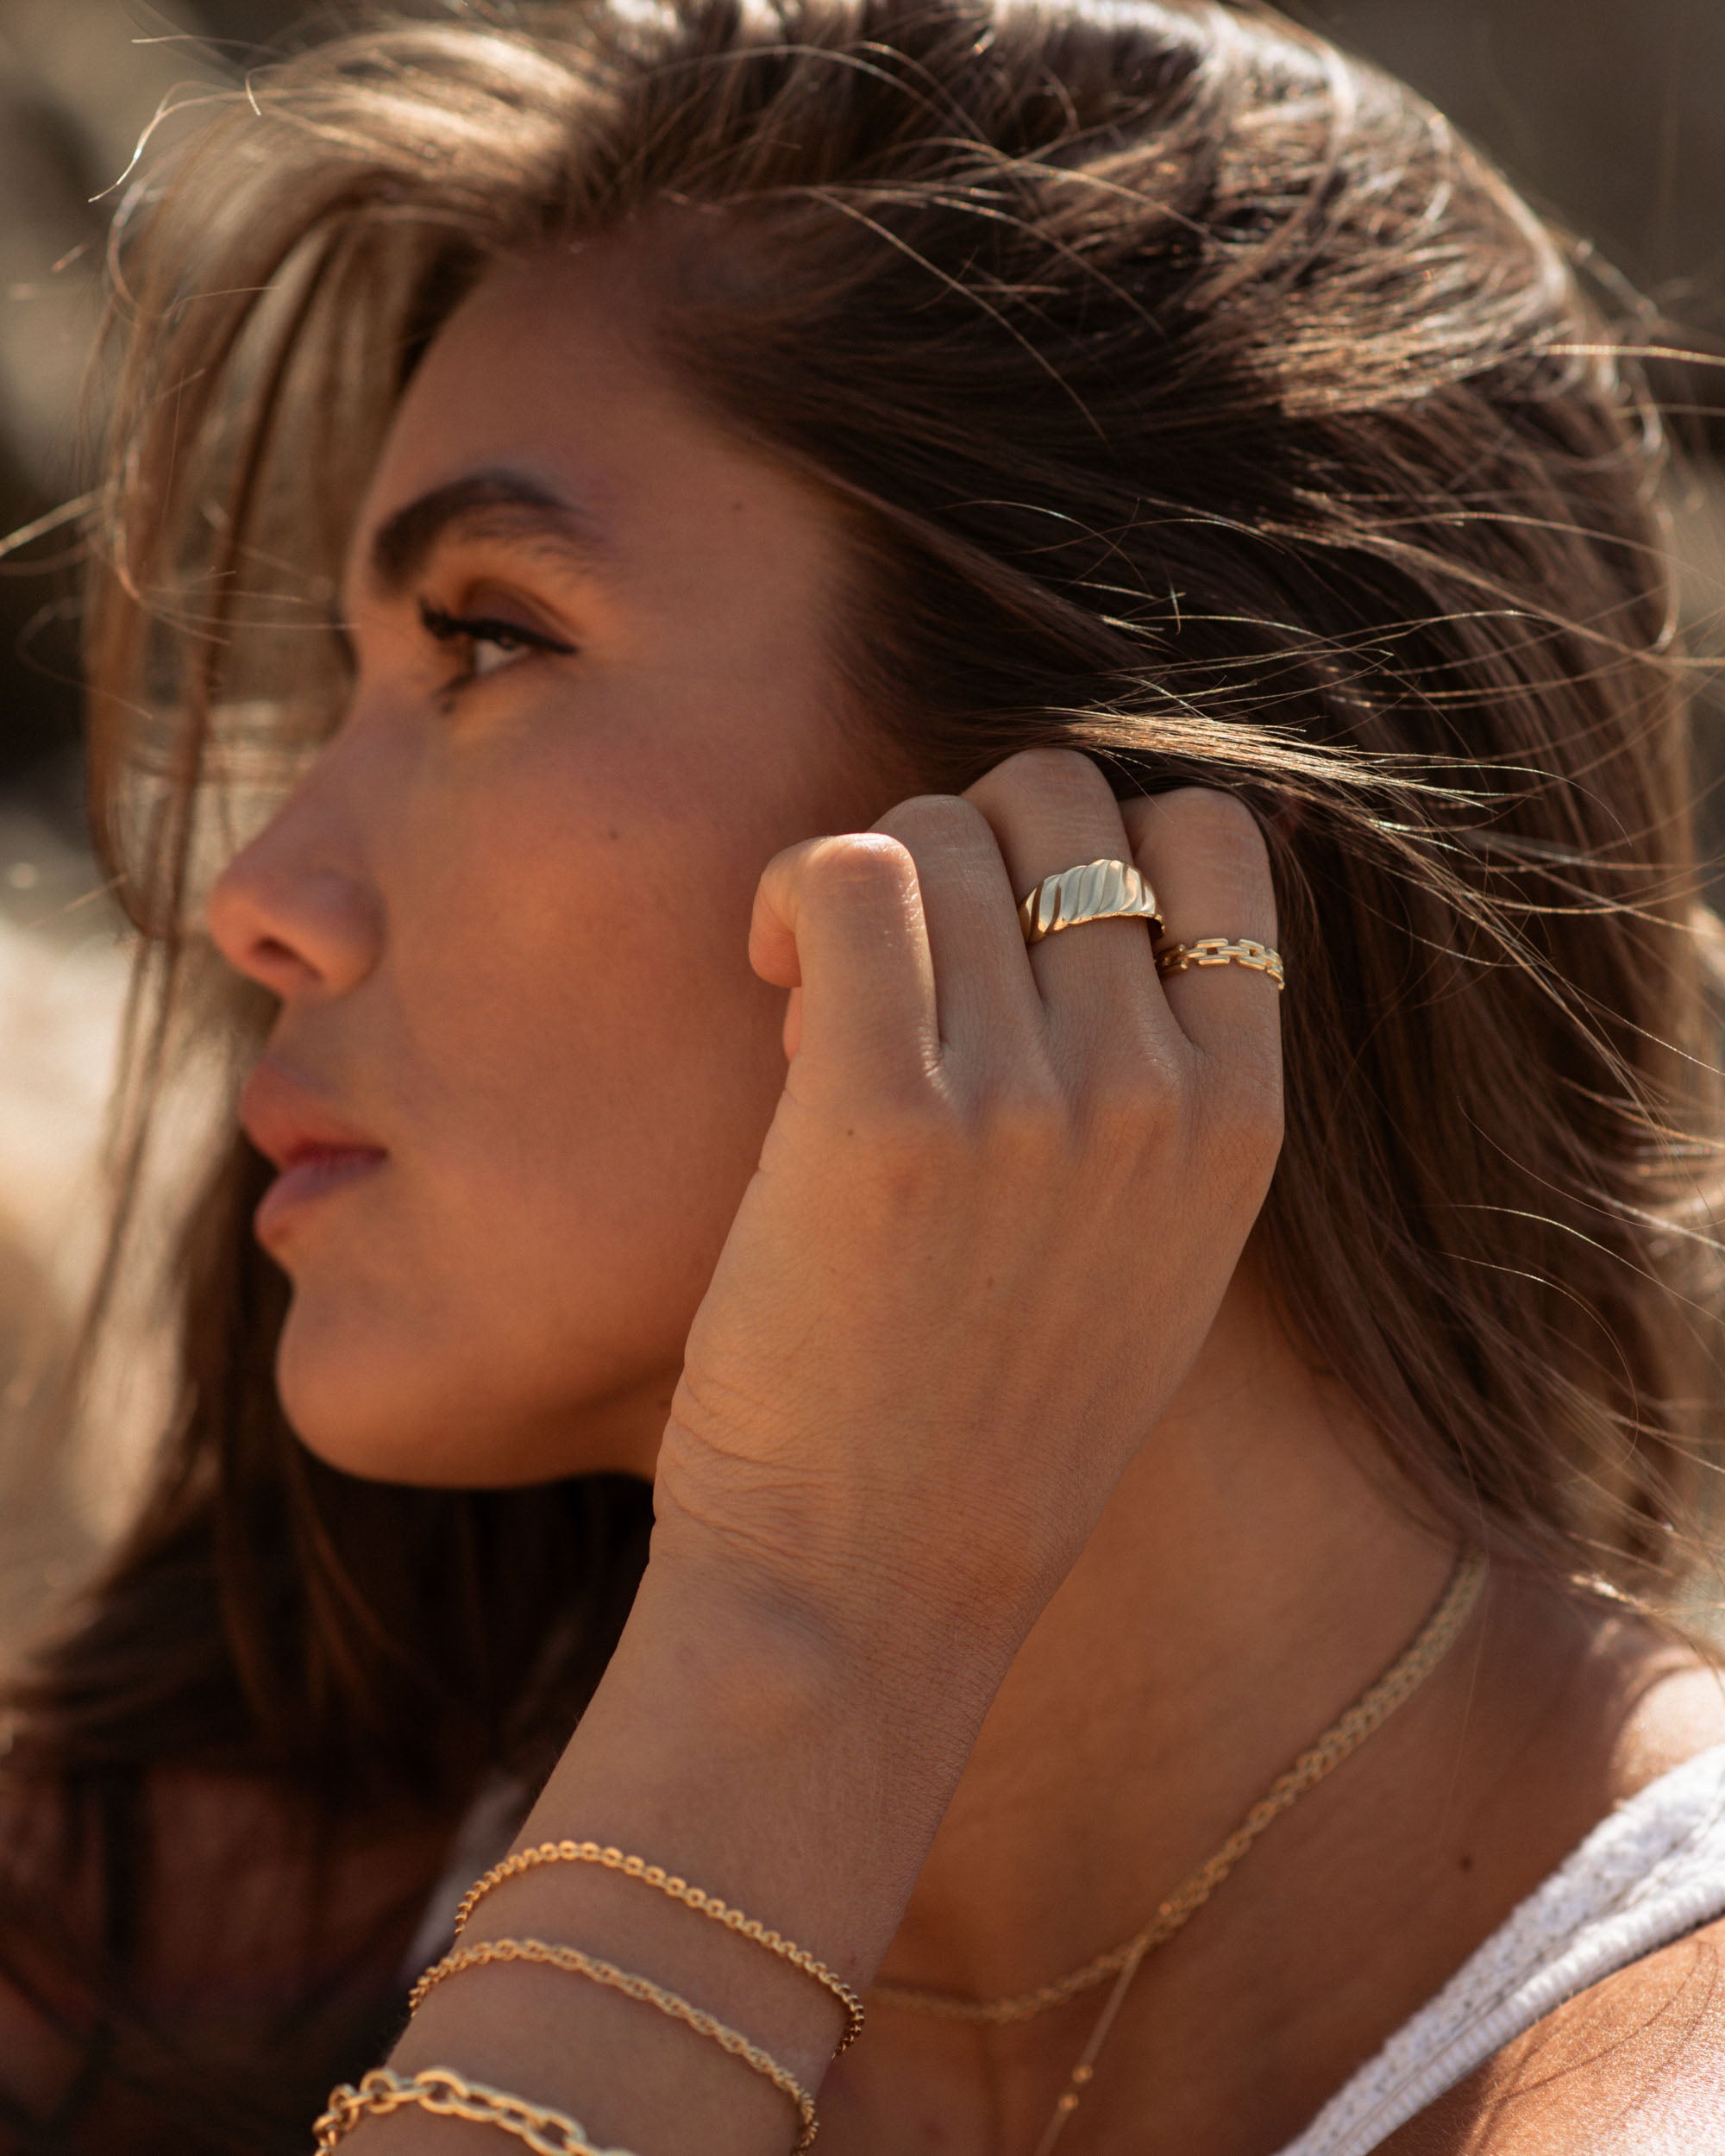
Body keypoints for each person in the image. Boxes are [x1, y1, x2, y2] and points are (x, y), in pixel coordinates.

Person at [3, 0, 1725, 2148]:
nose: (259, 893)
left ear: (1092, 825)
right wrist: (798, 1634)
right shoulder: (166, 1944)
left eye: (485, 634)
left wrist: (816, 1621)